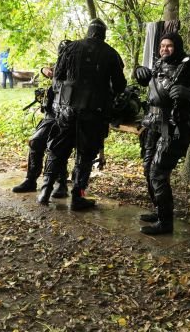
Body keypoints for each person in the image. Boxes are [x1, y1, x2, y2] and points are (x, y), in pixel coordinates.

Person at [133, 32, 190, 235]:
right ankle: (159, 210)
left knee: (158, 172)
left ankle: (165, 222)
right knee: (148, 168)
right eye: (162, 46)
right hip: (153, 123)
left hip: (176, 126)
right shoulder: (158, 64)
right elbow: (150, 84)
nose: (164, 49)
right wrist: (138, 71)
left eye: (169, 46)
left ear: (177, 47)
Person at [37, 18, 127, 210]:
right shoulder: (111, 54)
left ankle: (45, 191)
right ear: (103, 34)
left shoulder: (70, 48)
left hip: (66, 110)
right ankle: (77, 197)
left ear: (89, 32)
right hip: (93, 113)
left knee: (57, 150)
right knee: (85, 155)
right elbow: (120, 86)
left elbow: (57, 77)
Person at [11, 66, 69, 197]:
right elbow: (46, 70)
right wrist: (44, 70)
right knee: (35, 142)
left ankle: (61, 183)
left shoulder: (82, 64)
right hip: (53, 114)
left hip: (71, 116)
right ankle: (31, 180)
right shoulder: (63, 60)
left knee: (58, 145)